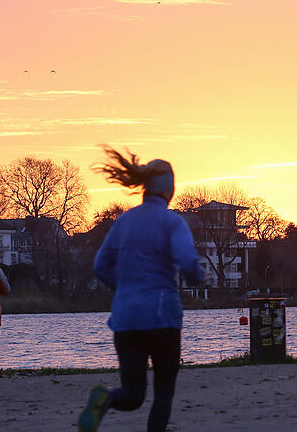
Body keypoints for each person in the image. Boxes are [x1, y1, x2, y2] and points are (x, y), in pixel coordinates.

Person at [78, 147, 204, 432]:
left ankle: (107, 398)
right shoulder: (173, 222)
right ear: (170, 190)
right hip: (162, 318)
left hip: (126, 318)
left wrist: (123, 289)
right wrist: (197, 276)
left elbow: (100, 265)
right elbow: (186, 260)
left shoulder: (123, 221)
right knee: (163, 391)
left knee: (133, 394)